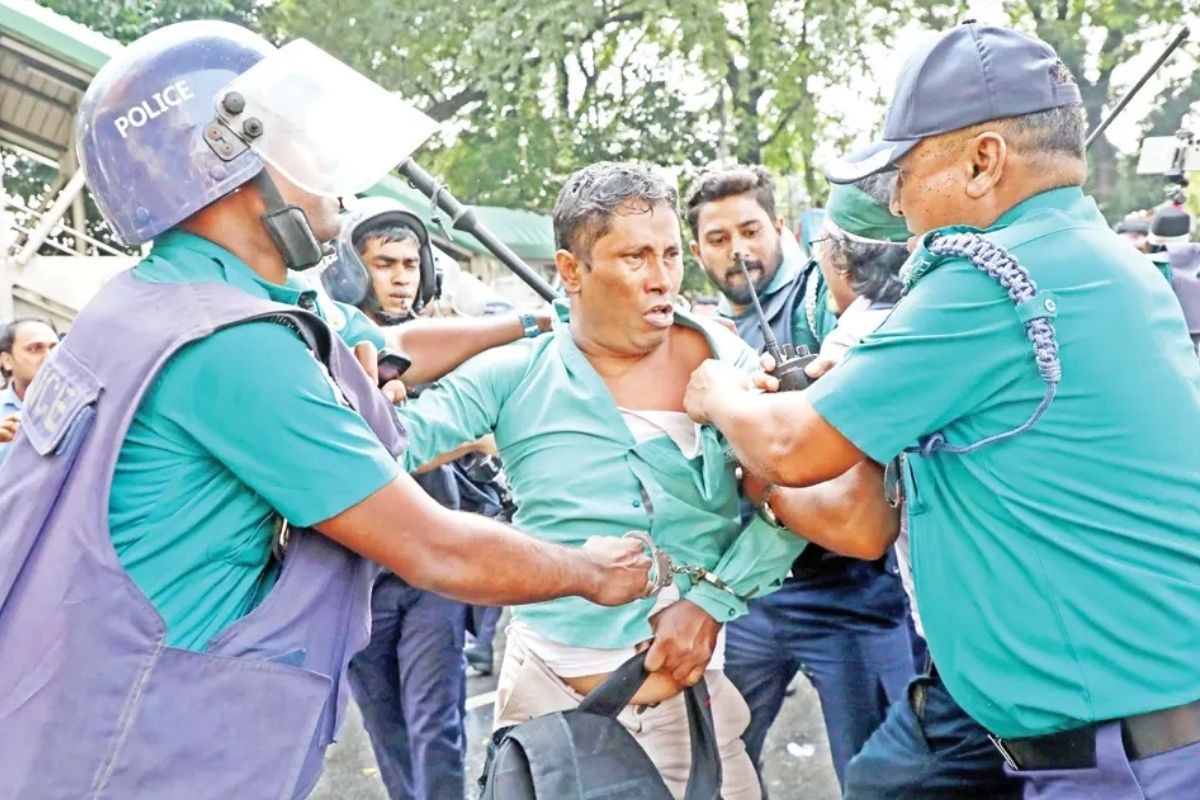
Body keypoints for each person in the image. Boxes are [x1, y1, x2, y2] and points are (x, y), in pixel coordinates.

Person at [0, 22, 651, 800]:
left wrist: (533, 321)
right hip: (147, 746)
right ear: (231, 164)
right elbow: (436, 548)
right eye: (299, 142)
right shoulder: (231, 350)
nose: (330, 174)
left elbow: (390, 341)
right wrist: (590, 571)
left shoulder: (155, 302)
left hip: (71, 712)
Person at [684, 22, 1200, 800]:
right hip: (1125, 734)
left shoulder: (994, 281)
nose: (895, 200)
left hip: (1118, 762)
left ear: (983, 159)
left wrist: (714, 389)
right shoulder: (1103, 263)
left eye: (905, 169)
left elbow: (792, 446)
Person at [392, 161, 897, 799]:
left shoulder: (726, 363)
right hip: (551, 713)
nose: (661, 279)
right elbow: (386, 448)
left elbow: (791, 498)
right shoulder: (514, 373)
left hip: (696, 711)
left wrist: (715, 598)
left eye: (669, 255)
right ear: (572, 271)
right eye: (634, 257)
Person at [684, 164, 913, 789]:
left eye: (750, 230)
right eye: (718, 237)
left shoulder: (828, 297)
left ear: (780, 228)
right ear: (696, 249)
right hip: (752, 592)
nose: (738, 249)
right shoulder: (709, 332)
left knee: (879, 777)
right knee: (719, 765)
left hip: (853, 597)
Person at [0, 317, 58, 466]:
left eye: (54, 348)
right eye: (34, 349)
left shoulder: (79, 410)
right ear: (7, 361)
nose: (49, 357)